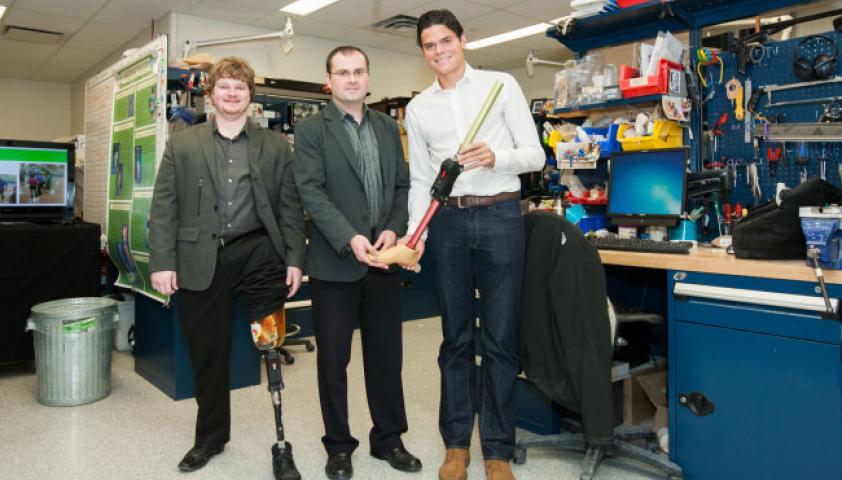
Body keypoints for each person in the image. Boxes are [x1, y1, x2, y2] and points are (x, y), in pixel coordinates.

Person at [403, 10, 544, 480]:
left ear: (463, 40)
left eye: (446, 40)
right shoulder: (419, 108)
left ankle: (499, 449)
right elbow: (421, 178)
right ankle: (456, 445)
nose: (439, 50)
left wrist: (496, 155)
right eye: (429, 45)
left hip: (501, 213)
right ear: (423, 52)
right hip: (448, 222)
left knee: (502, 337)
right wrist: (414, 233)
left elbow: (535, 153)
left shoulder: (501, 85)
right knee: (455, 339)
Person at [149, 56, 306, 477]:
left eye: (240, 87)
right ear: (211, 94)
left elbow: (290, 206)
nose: (232, 94)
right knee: (208, 353)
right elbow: (164, 207)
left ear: (250, 96)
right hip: (201, 258)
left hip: (258, 254)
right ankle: (210, 438)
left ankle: (281, 443)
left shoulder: (275, 146)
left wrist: (294, 259)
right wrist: (163, 262)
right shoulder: (182, 144)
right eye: (225, 87)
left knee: (269, 345)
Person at [293, 45, 421, 480]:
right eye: (342, 72)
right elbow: (311, 191)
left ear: (369, 78)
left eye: (359, 71)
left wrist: (392, 227)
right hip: (334, 263)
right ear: (329, 80)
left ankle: (389, 439)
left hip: (383, 260)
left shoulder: (387, 128)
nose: (352, 79)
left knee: (386, 356)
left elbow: (401, 186)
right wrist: (350, 237)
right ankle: (339, 446)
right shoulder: (312, 130)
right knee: (333, 362)